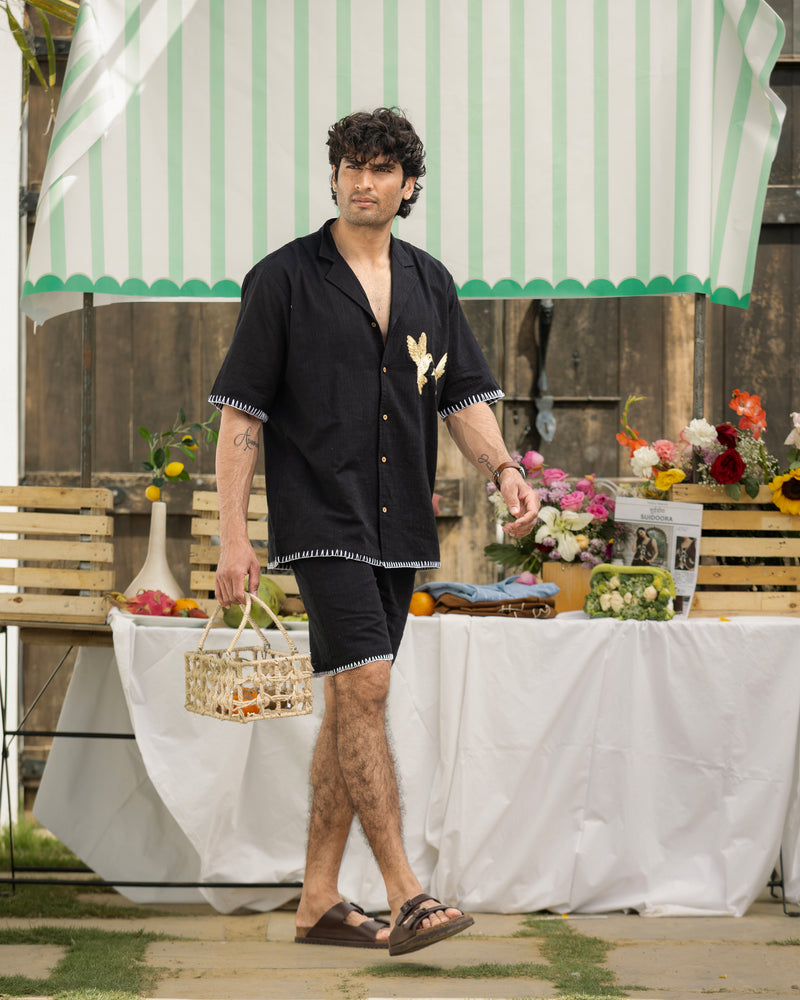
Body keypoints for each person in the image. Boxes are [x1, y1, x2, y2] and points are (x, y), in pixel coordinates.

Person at [209, 107, 540, 956]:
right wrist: (233, 537)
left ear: (408, 184)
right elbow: (242, 411)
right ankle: (407, 893)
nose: (363, 181)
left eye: (381, 169)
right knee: (366, 692)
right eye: (350, 166)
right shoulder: (282, 279)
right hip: (320, 517)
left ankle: (318, 900)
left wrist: (504, 469)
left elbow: (462, 395)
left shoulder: (430, 280)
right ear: (333, 176)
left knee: (346, 704)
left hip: (401, 526)